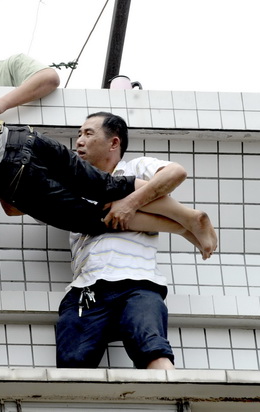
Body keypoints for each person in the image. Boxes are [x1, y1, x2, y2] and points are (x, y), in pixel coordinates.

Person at [0, 57, 217, 259]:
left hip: (7, 167)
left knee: (91, 220)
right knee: (107, 186)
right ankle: (188, 218)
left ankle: (181, 227)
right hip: (19, 137)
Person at [56, 112, 190, 370]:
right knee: (72, 365)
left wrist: (130, 203)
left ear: (113, 143)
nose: (79, 141)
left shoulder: (135, 168)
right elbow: (19, 207)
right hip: (87, 287)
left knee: (153, 350)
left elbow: (176, 172)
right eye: (79, 134)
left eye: (88, 133)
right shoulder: (70, 180)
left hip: (138, 283)